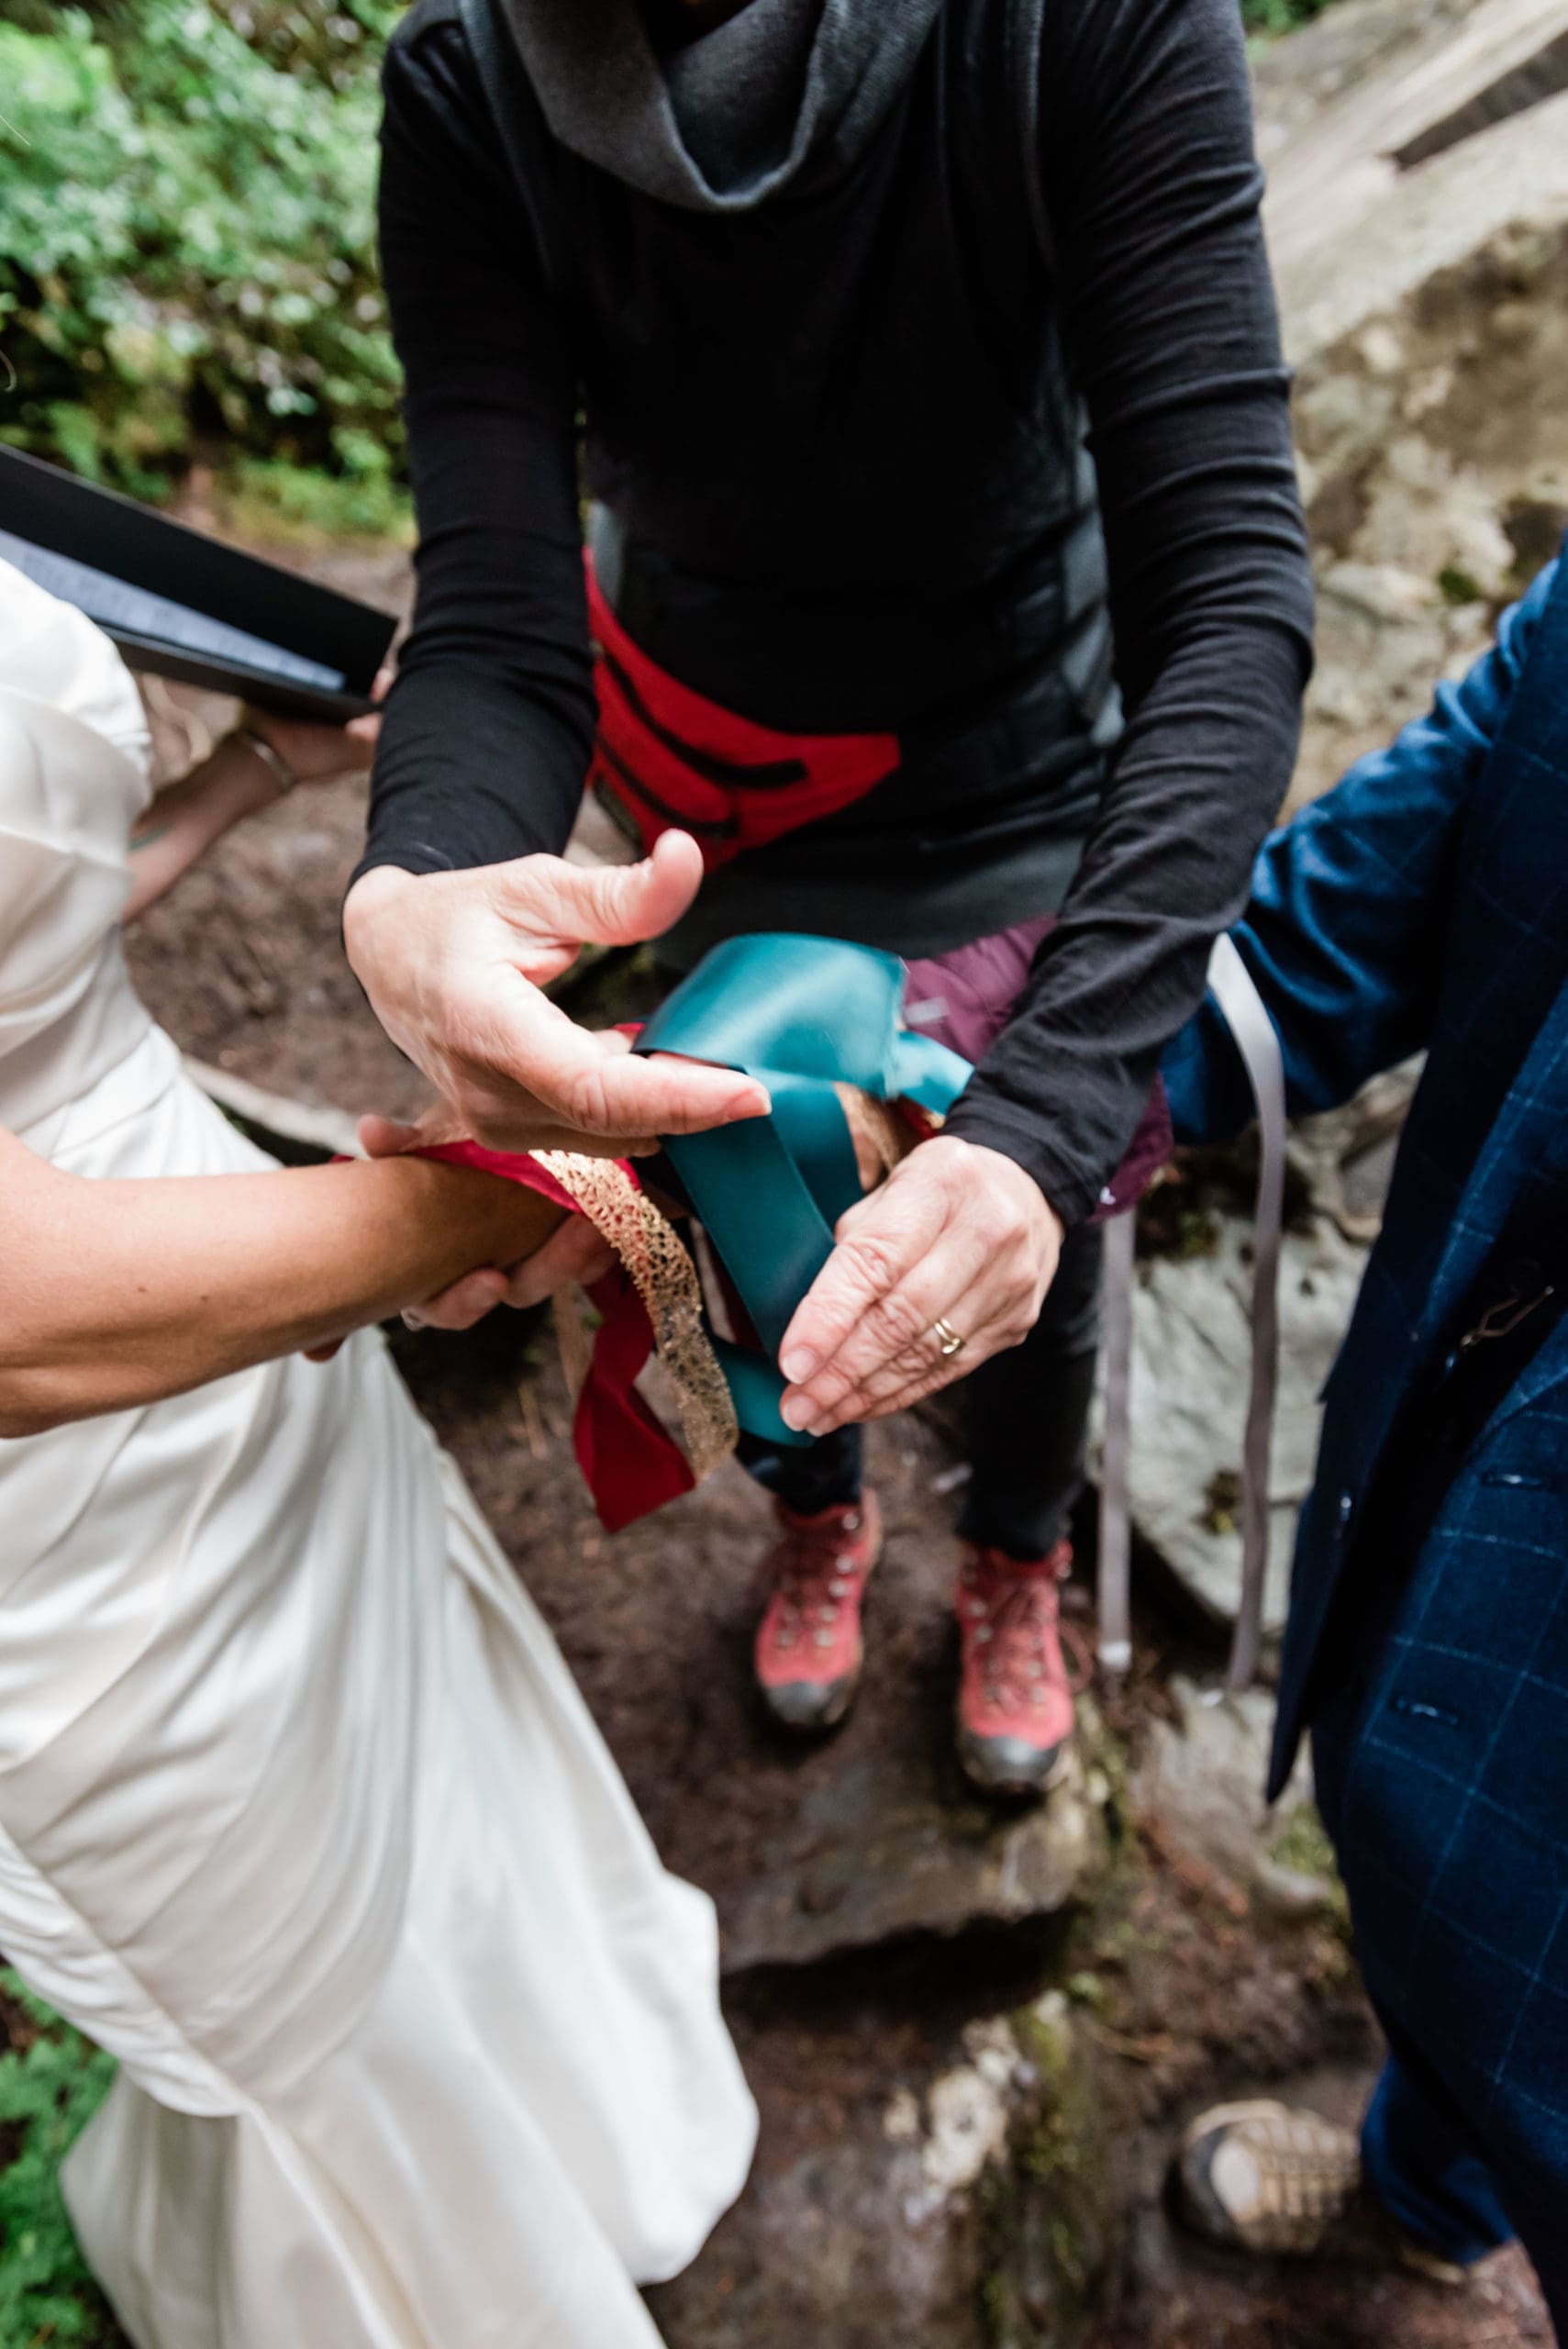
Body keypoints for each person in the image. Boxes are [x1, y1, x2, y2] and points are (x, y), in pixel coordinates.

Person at [342, 0, 1315, 1796]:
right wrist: (425, 884)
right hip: (705, 783)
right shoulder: (469, 80)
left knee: (1030, 1227)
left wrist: (1034, 1120)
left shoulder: (1080, 29)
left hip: (1024, 764)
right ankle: (818, 1504)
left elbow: (1231, 599)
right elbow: (491, 603)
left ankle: (1016, 1549)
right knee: (733, 1178)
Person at [0, 556, 755, 2349]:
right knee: (281, 1947)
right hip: (74, 1511)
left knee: (416, 1748)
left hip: (207, 1256)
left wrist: (240, 777)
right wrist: (503, 1194)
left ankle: (579, 2123)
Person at [1161, 556, 1568, 2332]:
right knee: (1428, 1934)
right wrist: (947, 1083)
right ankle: (1419, 2190)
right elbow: (1324, 929)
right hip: (1455, 1494)